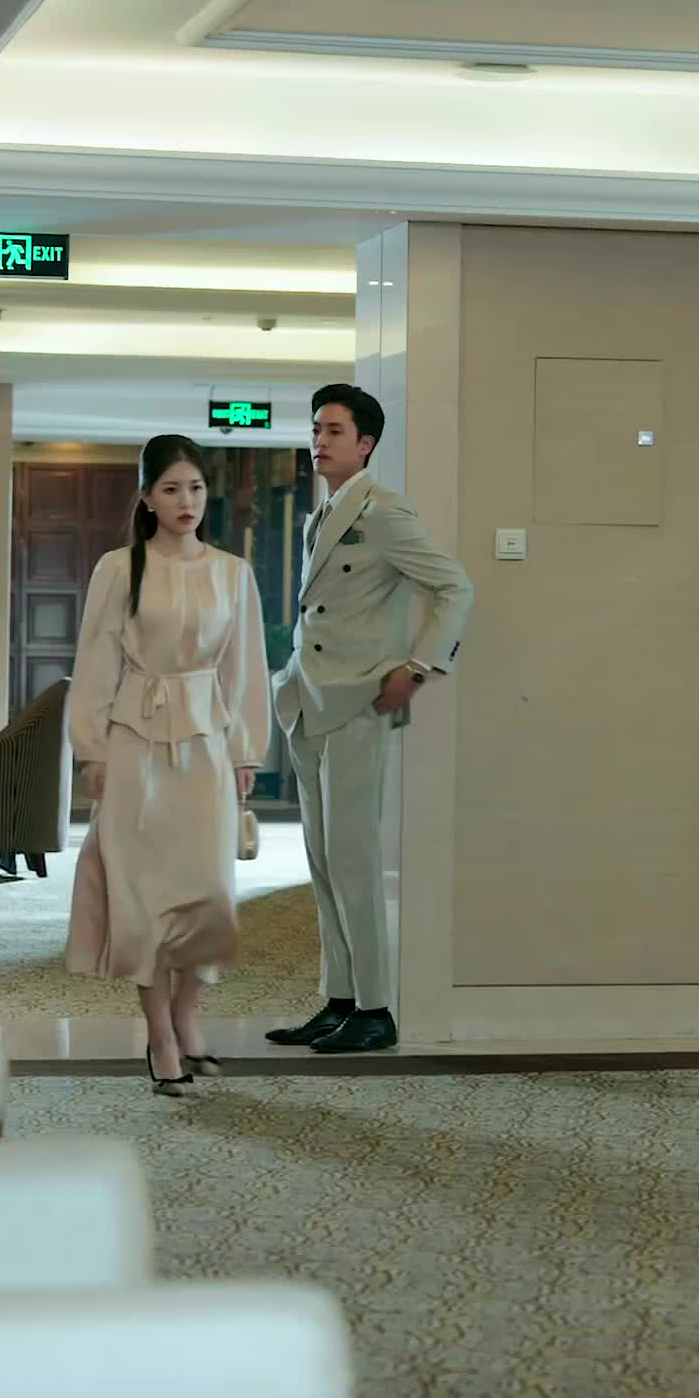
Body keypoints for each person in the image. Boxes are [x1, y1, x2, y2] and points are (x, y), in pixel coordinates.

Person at [271, 384, 473, 1055]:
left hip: (358, 701)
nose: (319, 440)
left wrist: (418, 667)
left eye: (333, 430)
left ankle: (376, 1009)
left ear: (365, 444)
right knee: (322, 859)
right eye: (315, 428)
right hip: (308, 700)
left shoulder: (384, 513)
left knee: (354, 859)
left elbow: (455, 586)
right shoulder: (321, 514)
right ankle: (340, 999)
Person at [66, 435, 270, 1096]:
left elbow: (245, 666)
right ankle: (160, 1036)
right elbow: (96, 660)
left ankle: (187, 1015)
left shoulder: (233, 573)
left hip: (207, 745)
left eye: (197, 488)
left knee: (209, 893)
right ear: (148, 498)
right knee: (142, 896)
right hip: (134, 744)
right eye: (172, 489)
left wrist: (245, 749)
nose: (187, 501)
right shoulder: (117, 569)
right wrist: (92, 749)